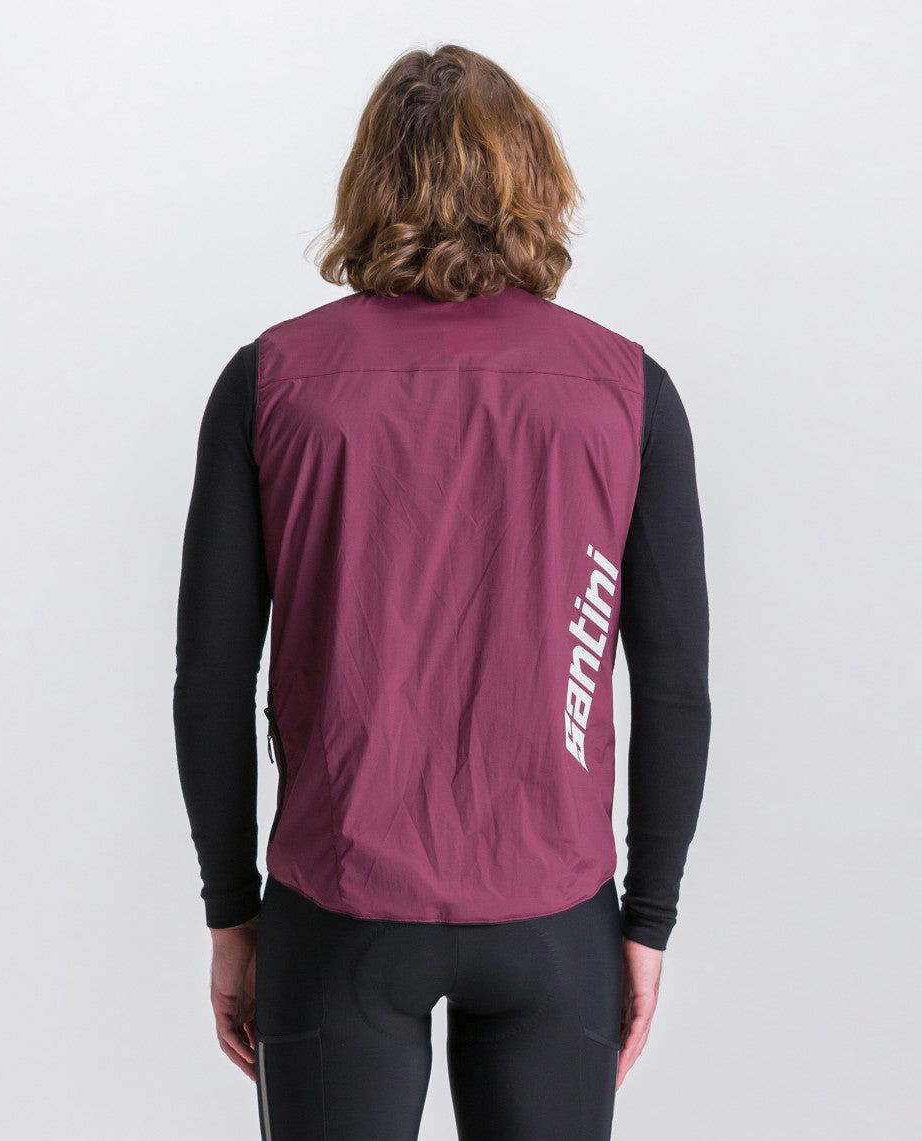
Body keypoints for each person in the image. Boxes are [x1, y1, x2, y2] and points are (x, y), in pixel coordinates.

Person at [173, 43, 710, 1141]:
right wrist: (646, 920)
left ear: (371, 183)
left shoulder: (271, 381)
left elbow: (212, 678)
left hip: (338, 907)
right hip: (554, 911)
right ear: (533, 178)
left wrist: (231, 913)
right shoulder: (626, 389)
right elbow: (676, 685)